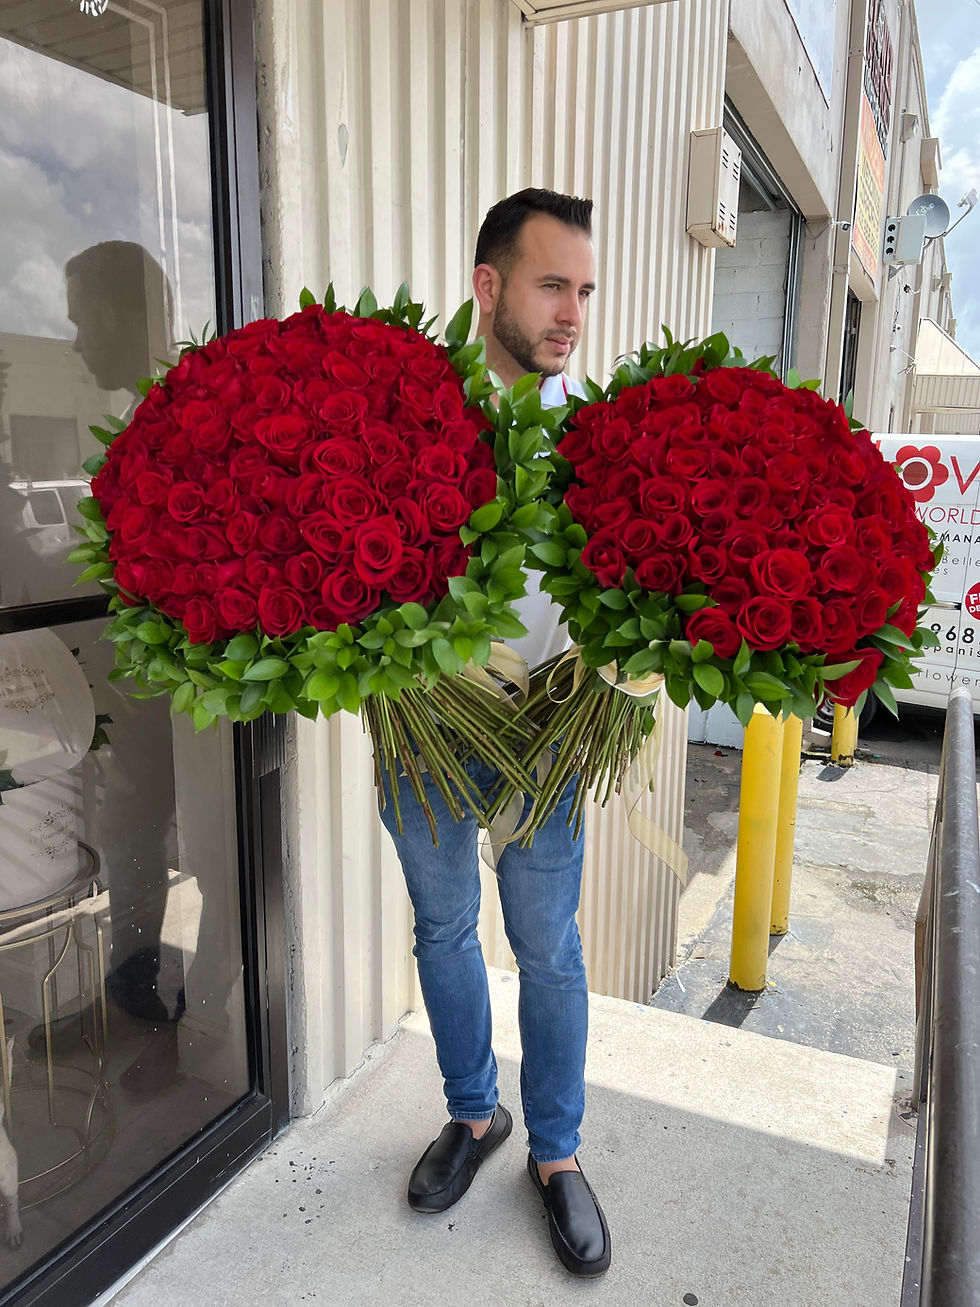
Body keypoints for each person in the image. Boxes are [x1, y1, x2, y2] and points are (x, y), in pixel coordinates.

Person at [378, 189, 610, 1278]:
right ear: (488, 287)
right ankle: (475, 1115)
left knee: (549, 946)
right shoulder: (405, 416)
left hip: (547, 725)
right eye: (550, 284)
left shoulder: (595, 438)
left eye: (581, 290)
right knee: (439, 925)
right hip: (423, 724)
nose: (569, 311)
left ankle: (555, 1154)